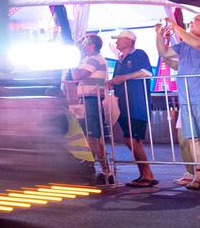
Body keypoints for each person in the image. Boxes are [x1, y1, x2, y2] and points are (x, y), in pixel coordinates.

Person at [156, 14, 200, 192]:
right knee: (193, 139)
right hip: (187, 99)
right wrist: (159, 36)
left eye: (195, 21)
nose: (191, 24)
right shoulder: (184, 44)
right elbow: (164, 53)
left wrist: (175, 26)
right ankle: (199, 175)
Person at [107, 29, 157, 187]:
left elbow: (147, 72)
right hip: (123, 104)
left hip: (137, 104)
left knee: (132, 139)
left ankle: (147, 174)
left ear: (130, 40)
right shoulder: (119, 60)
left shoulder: (139, 54)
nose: (117, 42)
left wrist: (123, 78)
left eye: (119, 39)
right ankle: (144, 173)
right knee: (129, 139)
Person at [64, 34, 113, 185]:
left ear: (91, 45)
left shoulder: (95, 58)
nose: (82, 45)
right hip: (87, 99)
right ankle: (96, 169)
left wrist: (71, 59)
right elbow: (72, 77)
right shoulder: (88, 59)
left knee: (93, 136)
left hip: (92, 100)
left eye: (84, 43)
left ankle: (105, 171)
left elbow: (78, 75)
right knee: (90, 136)